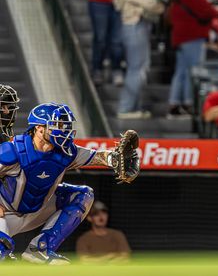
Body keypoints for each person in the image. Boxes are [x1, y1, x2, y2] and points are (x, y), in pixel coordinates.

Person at [0, 103, 139, 264]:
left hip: (36, 210)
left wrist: (115, 158)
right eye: (57, 125)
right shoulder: (12, 151)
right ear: (39, 128)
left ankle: (40, 249)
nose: (64, 130)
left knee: (83, 194)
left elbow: (97, 157)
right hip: (5, 214)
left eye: (65, 125)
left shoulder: (66, 152)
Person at [113, 0, 165, 119]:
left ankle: (133, 107)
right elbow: (155, 6)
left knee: (139, 68)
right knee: (136, 69)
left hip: (132, 26)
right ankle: (125, 107)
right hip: (136, 26)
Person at [168, 0, 218, 118]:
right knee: (193, 72)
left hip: (181, 37)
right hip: (192, 36)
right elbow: (205, 11)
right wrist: (216, 12)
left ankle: (175, 103)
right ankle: (188, 103)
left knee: (181, 71)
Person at [82, 0, 126, 86]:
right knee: (100, 38)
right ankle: (97, 69)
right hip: (98, 0)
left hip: (119, 1)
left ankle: (116, 68)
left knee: (117, 40)